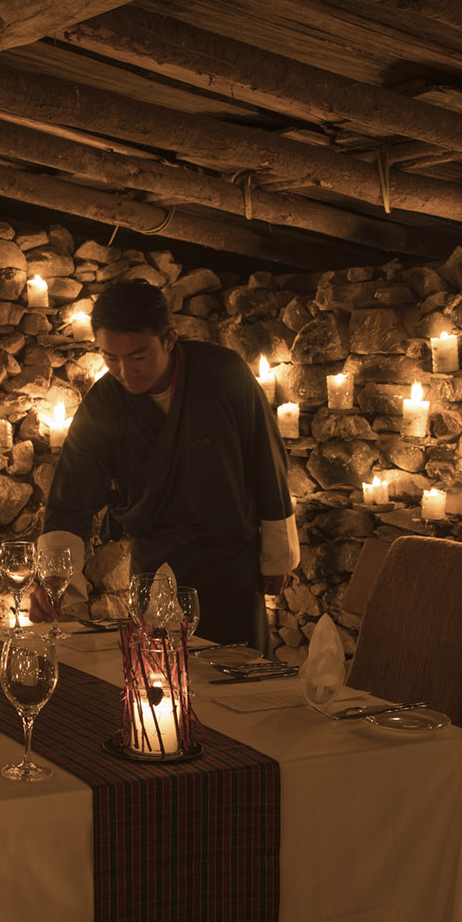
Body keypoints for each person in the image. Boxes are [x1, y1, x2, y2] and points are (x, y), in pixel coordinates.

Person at [32, 279, 298, 651]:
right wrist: (54, 578)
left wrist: (277, 557)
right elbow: (70, 495)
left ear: (170, 340)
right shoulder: (106, 402)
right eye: (111, 358)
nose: (126, 372)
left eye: (138, 356)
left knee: (239, 672)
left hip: (230, 562)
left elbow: (266, 462)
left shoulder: (224, 373)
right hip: (155, 568)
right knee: (159, 674)